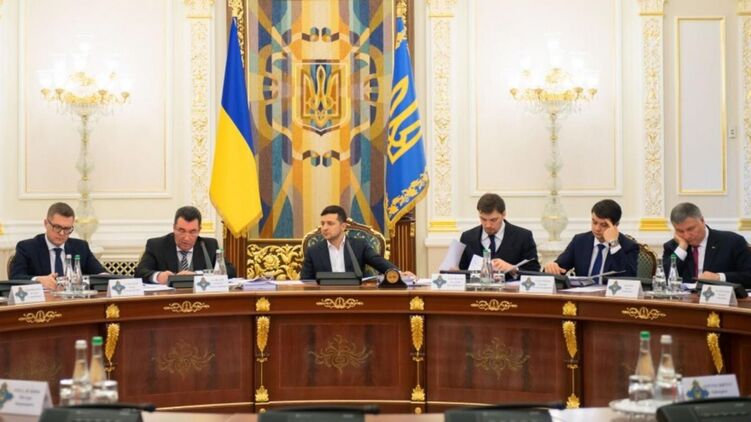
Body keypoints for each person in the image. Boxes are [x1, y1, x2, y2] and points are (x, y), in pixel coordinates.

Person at [10, 202, 106, 289]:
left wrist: (105, 277)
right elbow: (15, 277)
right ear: (46, 223)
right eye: (57, 227)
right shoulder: (27, 247)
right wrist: (38, 280)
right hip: (44, 301)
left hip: (74, 300)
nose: (62, 233)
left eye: (67, 229)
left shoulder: (81, 247)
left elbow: (100, 273)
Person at [300, 205, 408, 280]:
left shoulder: (359, 246)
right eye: (322, 223)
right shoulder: (313, 251)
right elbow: (305, 282)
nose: (324, 228)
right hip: (323, 299)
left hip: (355, 297)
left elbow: (380, 263)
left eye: (330, 223)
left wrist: (400, 274)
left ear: (343, 226)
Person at [135, 206, 235, 283]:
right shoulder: (156, 245)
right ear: (174, 228)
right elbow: (139, 273)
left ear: (199, 230)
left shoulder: (209, 245)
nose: (186, 238)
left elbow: (231, 271)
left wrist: (198, 275)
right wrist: (158, 276)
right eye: (182, 231)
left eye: (192, 232)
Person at [544, 199, 638, 281]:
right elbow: (559, 268)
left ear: (616, 225)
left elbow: (628, 278)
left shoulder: (628, 246)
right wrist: (551, 267)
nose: (597, 228)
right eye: (594, 222)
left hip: (610, 295)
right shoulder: (580, 241)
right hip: (582, 295)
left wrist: (614, 244)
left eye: (604, 225)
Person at [663, 202, 751, 286]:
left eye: (690, 229)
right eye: (680, 231)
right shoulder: (672, 247)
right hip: (684, 297)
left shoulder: (732, 242)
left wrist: (719, 277)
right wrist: (682, 247)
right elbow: (664, 278)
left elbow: (748, 275)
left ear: (702, 220)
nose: (686, 236)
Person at [458, 193, 539, 277]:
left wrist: (513, 269)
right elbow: (462, 271)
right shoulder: (467, 237)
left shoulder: (523, 237)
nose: (488, 225)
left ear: (503, 214)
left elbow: (534, 271)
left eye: (493, 220)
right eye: (483, 219)